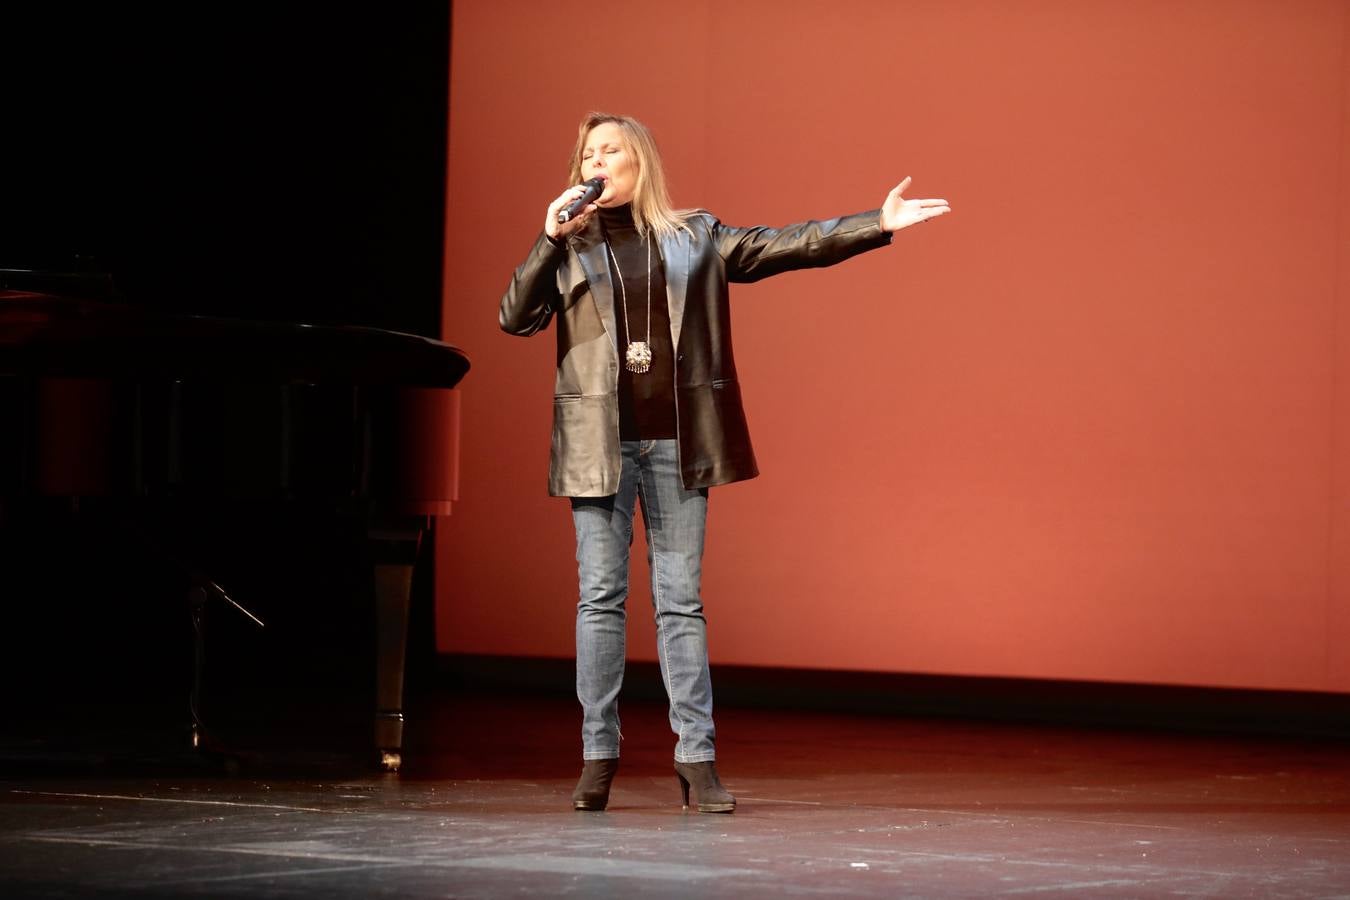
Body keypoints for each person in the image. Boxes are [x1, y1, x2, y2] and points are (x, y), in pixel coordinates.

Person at [499, 112, 950, 814]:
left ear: (637, 161)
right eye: (588, 152)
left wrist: (876, 223)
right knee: (600, 601)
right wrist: (547, 237)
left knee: (681, 603)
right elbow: (514, 317)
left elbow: (786, 245)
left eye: (610, 149)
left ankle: (697, 760)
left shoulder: (694, 236)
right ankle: (597, 756)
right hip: (599, 447)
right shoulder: (569, 243)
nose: (597, 161)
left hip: (679, 446)